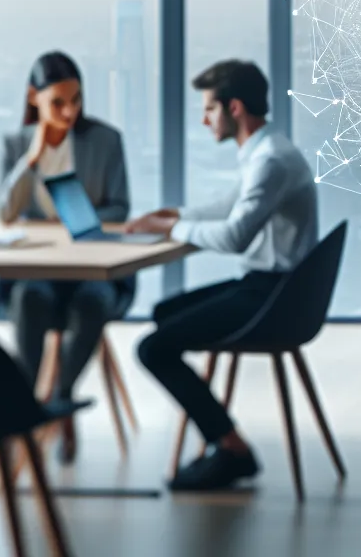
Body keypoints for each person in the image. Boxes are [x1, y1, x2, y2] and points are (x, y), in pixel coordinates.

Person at [124, 59, 318, 491]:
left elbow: (234, 236)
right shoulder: (268, 151)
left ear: (233, 108)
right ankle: (220, 437)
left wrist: (173, 228)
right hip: (272, 287)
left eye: (208, 109)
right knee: (163, 312)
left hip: (272, 298)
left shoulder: (271, 161)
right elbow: (230, 205)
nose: (203, 118)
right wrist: (175, 216)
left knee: (153, 349)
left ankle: (231, 448)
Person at [0, 51, 131, 463]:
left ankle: (62, 396)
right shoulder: (16, 144)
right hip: (37, 271)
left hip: (90, 268)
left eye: (77, 100)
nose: (70, 111)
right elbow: (5, 213)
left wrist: (78, 221)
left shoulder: (105, 140)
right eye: (58, 102)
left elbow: (119, 207)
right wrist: (31, 159)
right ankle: (29, 406)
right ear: (34, 98)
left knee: (94, 304)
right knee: (28, 301)